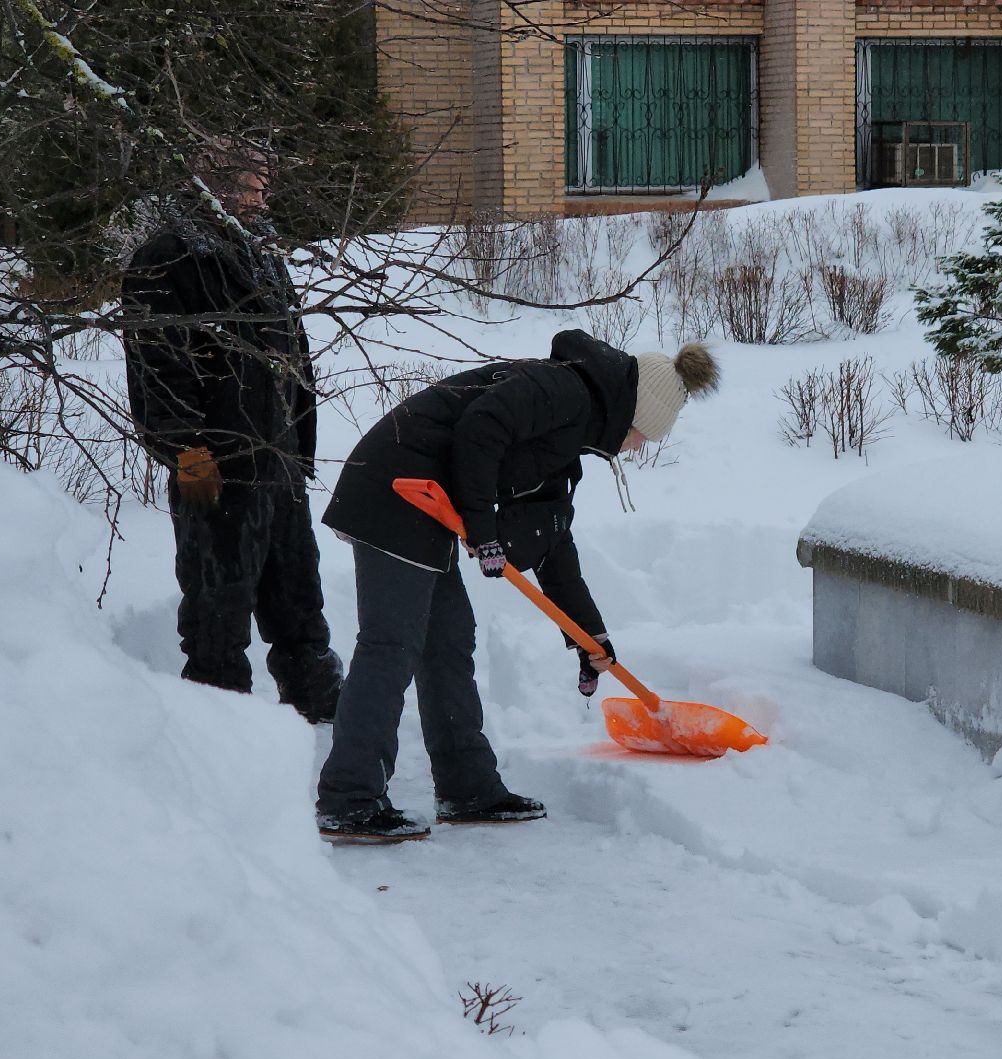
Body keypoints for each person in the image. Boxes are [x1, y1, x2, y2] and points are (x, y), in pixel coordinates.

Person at [313, 330, 719, 843]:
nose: (638, 447)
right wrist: (483, 532)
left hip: (424, 504)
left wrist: (589, 640)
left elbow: (552, 540)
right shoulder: (562, 389)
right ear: (637, 411)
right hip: (398, 488)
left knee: (447, 641)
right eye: (644, 434)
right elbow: (482, 428)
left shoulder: (569, 437)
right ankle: (349, 798)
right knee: (391, 645)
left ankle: (467, 787)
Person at [119, 140, 343, 723]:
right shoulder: (167, 258)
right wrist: (183, 448)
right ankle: (221, 723)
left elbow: (293, 353)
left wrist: (299, 444)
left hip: (279, 455)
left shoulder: (260, 253)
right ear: (212, 187)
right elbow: (158, 366)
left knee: (297, 593)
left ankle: (319, 706)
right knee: (218, 599)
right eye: (251, 185)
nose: (262, 195)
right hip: (213, 460)